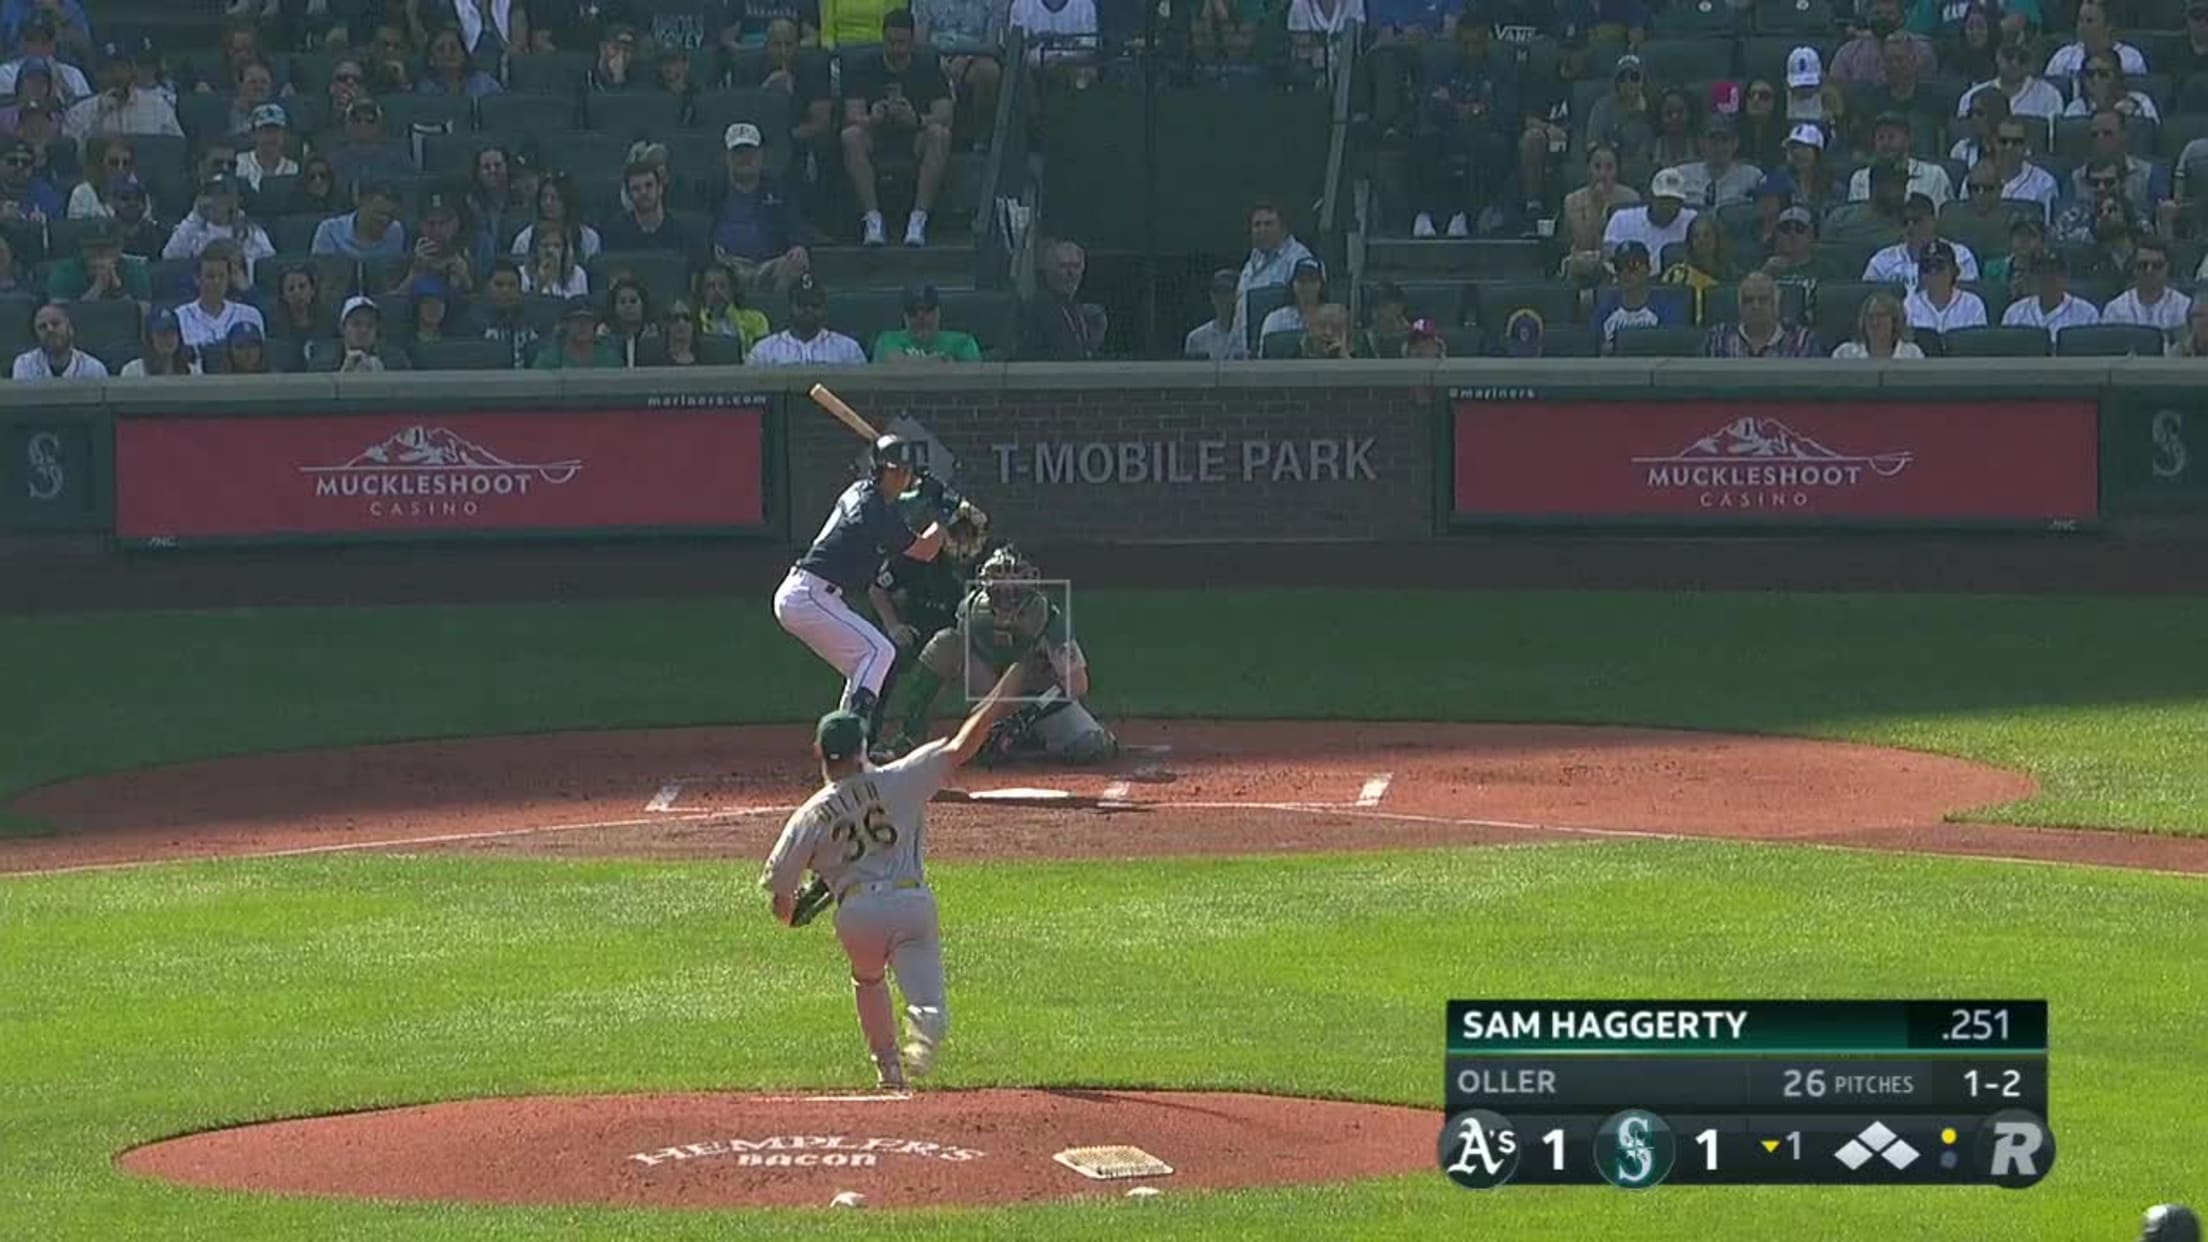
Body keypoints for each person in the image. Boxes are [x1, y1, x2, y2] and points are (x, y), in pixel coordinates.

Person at [757, 663, 1028, 1092]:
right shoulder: (901, 777)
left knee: (867, 980)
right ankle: (926, 1026)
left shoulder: (808, 815)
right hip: (910, 903)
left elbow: (781, 899)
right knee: (928, 999)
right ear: (863, 748)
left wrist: (791, 916)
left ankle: (887, 1068)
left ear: (819, 751)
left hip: (857, 912)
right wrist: (999, 699)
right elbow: (963, 743)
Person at [774, 433, 962, 742]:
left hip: (815, 596)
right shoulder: (873, 512)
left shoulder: (863, 493)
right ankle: (853, 741)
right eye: (895, 470)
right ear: (879, 470)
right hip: (808, 595)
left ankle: (846, 749)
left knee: (864, 665)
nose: (901, 476)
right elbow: (926, 550)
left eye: (905, 471)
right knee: (880, 651)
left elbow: (895, 505)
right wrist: (943, 515)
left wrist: (923, 494)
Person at [841, 10, 953, 247]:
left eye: (902, 43)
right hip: (877, 134)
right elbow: (852, 115)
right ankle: (872, 219)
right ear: (883, 39)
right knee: (851, 137)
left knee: (939, 135)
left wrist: (917, 120)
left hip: (915, 136)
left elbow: (945, 114)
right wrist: (871, 118)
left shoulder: (928, 67)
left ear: (913, 41)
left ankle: (918, 218)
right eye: (891, 42)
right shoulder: (863, 67)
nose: (896, 49)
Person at [1409, 17, 1518, 238]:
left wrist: (1465, 110)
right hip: (1448, 132)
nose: (1471, 50)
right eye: (1465, 44)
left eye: (1476, 44)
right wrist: (1468, 110)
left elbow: (1505, 112)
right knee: (1425, 140)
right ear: (1458, 42)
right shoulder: (1444, 67)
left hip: (1484, 135)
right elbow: (1432, 104)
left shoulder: (1501, 69)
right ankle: (1428, 215)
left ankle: (1468, 215)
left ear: (1486, 41)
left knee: (1493, 145)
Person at [1230, 202, 1314, 347]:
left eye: (1268, 224)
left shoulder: (1300, 260)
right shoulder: (1252, 261)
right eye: (1257, 225)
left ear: (1283, 228)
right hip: (1244, 351)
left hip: (1280, 353)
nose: (1262, 229)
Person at [63, 42, 182, 142]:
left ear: (133, 70)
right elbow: (71, 151)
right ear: (97, 73)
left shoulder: (159, 107)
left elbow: (175, 147)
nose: (116, 74)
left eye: (122, 67)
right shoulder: (79, 112)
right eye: (108, 69)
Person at [162, 175, 275, 278]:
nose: (212, 201)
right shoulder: (192, 230)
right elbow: (170, 256)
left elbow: (269, 265)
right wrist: (195, 218)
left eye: (219, 195)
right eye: (209, 194)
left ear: (231, 200)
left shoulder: (250, 232)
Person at [1559, 143, 1637, 282]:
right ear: (1588, 169)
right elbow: (1582, 243)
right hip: (1580, 266)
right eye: (1597, 167)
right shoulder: (1572, 200)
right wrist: (1597, 206)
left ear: (1617, 171)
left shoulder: (1631, 198)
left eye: (1609, 168)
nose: (1602, 174)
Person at [1864, 193, 1978, 287]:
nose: (1910, 227)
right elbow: (1869, 299)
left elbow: (1967, 301)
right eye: (1905, 222)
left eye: (1916, 221)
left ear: (1933, 221)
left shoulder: (1961, 256)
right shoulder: (1881, 262)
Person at [749, 274, 868, 364]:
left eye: (815, 304)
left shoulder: (848, 349)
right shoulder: (764, 350)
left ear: (824, 307)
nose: (808, 309)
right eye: (802, 304)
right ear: (790, 306)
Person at [601, 160, 704, 259]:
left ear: (660, 188)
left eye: (649, 185)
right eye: (636, 188)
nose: (643, 192)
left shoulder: (684, 235)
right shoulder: (615, 236)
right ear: (629, 195)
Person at [1018, 238, 1100, 360]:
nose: (1070, 273)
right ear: (1049, 270)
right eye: (1063, 266)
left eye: (1075, 266)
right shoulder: (1039, 308)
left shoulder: (1076, 307)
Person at [1848, 113, 1951, 207]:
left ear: (1907, 140)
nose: (1885, 143)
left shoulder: (1934, 174)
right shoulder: (1859, 178)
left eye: (1891, 137)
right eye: (1880, 137)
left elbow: (1941, 217)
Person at [1704, 271, 1817, 356]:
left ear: (1776, 304)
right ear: (1740, 307)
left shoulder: (1802, 340)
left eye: (1763, 300)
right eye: (1748, 300)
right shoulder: (1718, 338)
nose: (1755, 306)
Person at [1594, 239, 1677, 352]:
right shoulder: (1605, 310)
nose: (1625, 272)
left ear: (1647, 269)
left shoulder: (1666, 308)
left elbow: (1673, 347)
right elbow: (1592, 346)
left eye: (1632, 265)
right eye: (1619, 267)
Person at [1958, 38, 2061, 129]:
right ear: (1997, 57)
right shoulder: (1972, 96)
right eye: (2009, 56)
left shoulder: (2050, 96)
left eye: (2022, 59)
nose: (2015, 63)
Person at [174, 250, 267, 351]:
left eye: (222, 276)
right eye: (210, 276)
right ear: (197, 279)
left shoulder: (250, 315)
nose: (216, 282)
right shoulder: (180, 317)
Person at [2044, 1, 2145, 89]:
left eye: (2089, 21)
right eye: (2080, 20)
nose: (2081, 27)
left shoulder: (2131, 59)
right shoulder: (2063, 57)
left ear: (2109, 26)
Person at [1667, 114, 1760, 210]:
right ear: (1701, 143)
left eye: (1725, 140)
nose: (1719, 147)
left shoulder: (1752, 177)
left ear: (1735, 143)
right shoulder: (1680, 174)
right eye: (1713, 140)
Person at [1601, 165, 1695, 259]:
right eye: (1663, 199)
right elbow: (1608, 257)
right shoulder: (1621, 219)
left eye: (1673, 201)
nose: (1667, 206)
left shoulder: (1694, 221)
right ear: (1650, 197)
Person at [2001, 250, 2098, 339]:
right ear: (2033, 277)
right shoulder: (2014, 313)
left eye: (2054, 272)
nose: (2048, 278)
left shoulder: (2087, 313)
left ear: (2066, 277)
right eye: (2042, 272)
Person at [874, 283, 982, 361]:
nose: (920, 317)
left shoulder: (963, 342)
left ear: (938, 312)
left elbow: (976, 380)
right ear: (904, 316)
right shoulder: (888, 339)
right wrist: (939, 361)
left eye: (927, 310)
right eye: (913, 311)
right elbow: (894, 367)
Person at [2101, 240, 2191, 334]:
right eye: (2143, 265)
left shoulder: (2184, 306)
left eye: (2157, 266)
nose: (2149, 271)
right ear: (2134, 269)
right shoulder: (2115, 309)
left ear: (2167, 268)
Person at [510, 174, 603, 263]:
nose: (548, 203)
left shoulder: (589, 238)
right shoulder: (525, 238)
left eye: (555, 198)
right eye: (544, 197)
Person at [1902, 240, 1989, 333]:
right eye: (1927, 267)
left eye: (1939, 266)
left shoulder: (1972, 304)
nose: (1933, 273)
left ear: (1954, 271)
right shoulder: (1910, 305)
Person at [1660, 214, 1736, 317]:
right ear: (1690, 243)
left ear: (1717, 238)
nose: (1701, 240)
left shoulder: (1732, 273)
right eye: (1696, 236)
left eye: (1706, 234)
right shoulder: (1680, 274)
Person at [1582, 52, 1652, 161]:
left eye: (1634, 77)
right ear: (1616, 82)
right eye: (1622, 78)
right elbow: (1592, 144)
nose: (1628, 82)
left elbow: (1645, 156)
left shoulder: (1650, 112)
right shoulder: (1601, 106)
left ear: (1643, 80)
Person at [311, 182, 409, 259]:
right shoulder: (329, 231)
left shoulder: (396, 231)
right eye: (379, 213)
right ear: (361, 204)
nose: (385, 220)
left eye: (390, 215)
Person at [10, 302, 107, 378]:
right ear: (36, 335)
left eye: (55, 323)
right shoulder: (25, 365)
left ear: (70, 328)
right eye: (42, 326)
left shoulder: (94, 369)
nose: (50, 329)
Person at [1988, 115, 2057, 219]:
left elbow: (2047, 227)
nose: (2008, 147)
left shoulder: (2044, 183)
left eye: (2016, 142)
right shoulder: (1977, 177)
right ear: (1993, 142)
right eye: (2003, 141)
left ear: (2026, 146)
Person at [696, 261, 771, 353]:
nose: (717, 291)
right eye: (711, 286)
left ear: (732, 290)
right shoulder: (693, 321)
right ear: (701, 291)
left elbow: (763, 356)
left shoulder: (756, 320)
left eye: (722, 286)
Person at [2063, 50, 2156, 121]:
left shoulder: (2141, 102)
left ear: (2118, 77)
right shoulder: (2076, 107)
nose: (2096, 80)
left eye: (2103, 74)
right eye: (2090, 74)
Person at [324, 296, 408, 371]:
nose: (364, 330)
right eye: (356, 324)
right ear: (342, 328)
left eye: (370, 325)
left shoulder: (396, 360)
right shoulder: (324, 358)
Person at [1831, 291, 1925, 357]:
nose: (1875, 322)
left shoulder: (1912, 354)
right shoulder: (1845, 354)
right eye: (1870, 317)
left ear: (1894, 322)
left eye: (1881, 316)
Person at [418, 26, 503, 97]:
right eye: (441, 49)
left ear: (464, 54)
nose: (448, 54)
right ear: (431, 59)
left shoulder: (485, 84)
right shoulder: (426, 91)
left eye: (453, 48)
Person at [233, 104, 298, 192]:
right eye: (266, 131)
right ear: (253, 134)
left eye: (276, 131)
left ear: (284, 135)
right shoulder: (239, 163)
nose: (271, 137)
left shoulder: (293, 168)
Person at [1259, 257, 1327, 340]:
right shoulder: (1275, 320)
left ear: (1322, 285)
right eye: (1301, 281)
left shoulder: (1333, 320)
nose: (1307, 286)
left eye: (1312, 280)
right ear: (1292, 285)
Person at [1184, 267, 1243, 360]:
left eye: (1227, 292)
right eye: (1217, 292)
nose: (1222, 298)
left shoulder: (1246, 337)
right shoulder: (1196, 338)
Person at [0, 134, 60, 221]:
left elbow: (56, 228)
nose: (19, 166)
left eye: (25, 162)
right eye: (12, 161)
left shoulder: (46, 194)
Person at [521, 228, 589, 297]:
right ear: (535, 249)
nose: (550, 250)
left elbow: (582, 304)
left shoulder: (578, 274)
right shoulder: (522, 274)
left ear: (564, 250)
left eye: (557, 246)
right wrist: (540, 284)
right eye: (545, 245)